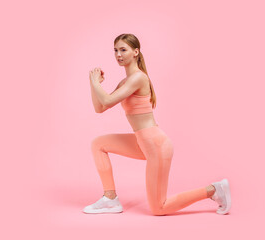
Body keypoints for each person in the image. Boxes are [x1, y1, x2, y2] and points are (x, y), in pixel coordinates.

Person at [83, 33, 231, 216]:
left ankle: (213, 190)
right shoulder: (125, 81)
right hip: (142, 142)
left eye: (123, 49)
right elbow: (100, 107)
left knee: (158, 208)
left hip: (156, 145)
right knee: (98, 144)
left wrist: (94, 82)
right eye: (115, 50)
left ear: (135, 52)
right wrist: (93, 85)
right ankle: (110, 199)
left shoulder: (138, 78)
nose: (118, 54)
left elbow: (105, 99)